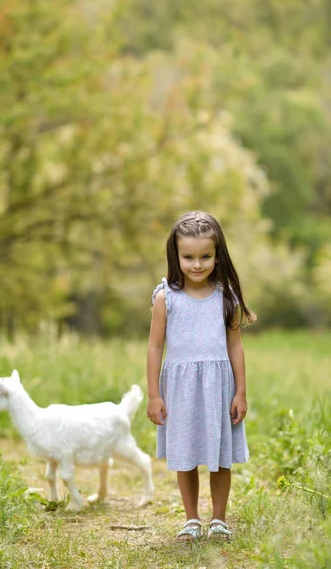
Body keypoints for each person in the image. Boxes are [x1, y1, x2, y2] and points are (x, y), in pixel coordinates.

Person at [146, 210, 256, 542]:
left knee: (220, 456)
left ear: (217, 255)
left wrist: (241, 392)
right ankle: (192, 519)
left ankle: (218, 519)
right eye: (189, 257)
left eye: (205, 256)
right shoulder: (166, 298)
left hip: (218, 389)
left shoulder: (226, 297)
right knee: (186, 453)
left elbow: (235, 346)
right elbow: (154, 348)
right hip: (180, 389)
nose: (197, 264)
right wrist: (154, 394)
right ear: (175, 255)